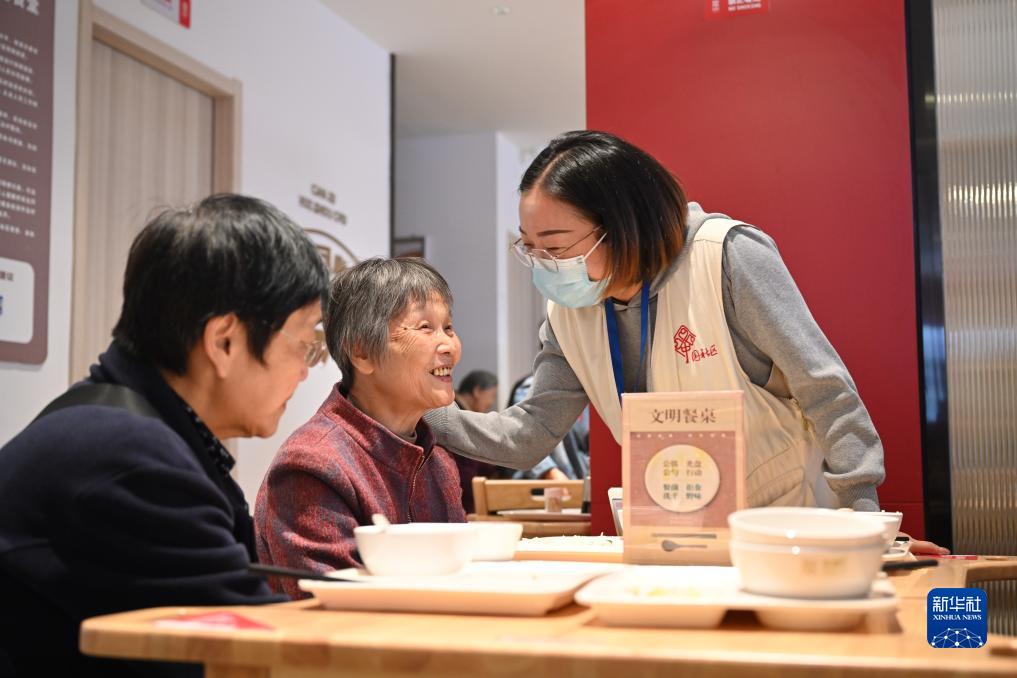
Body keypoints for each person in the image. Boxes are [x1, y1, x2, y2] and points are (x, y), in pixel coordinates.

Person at [425, 129, 885, 512]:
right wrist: (417, 411)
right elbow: (531, 433)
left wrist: (863, 517)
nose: (544, 263)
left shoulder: (727, 257)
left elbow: (825, 390)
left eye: (556, 246)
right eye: (529, 246)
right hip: (676, 532)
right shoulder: (568, 313)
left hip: (788, 522)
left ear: (621, 225)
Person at [0, 194, 329, 678]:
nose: (305, 372)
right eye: (304, 343)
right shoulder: (129, 461)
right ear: (224, 342)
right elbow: (256, 659)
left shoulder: (119, 425)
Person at [255, 257, 467, 598]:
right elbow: (337, 611)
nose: (449, 347)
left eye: (449, 328)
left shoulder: (438, 462)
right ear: (362, 351)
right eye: (426, 328)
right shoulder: (313, 465)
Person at [451, 370, 504, 513]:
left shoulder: (457, 412)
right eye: (492, 395)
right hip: (463, 501)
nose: (492, 402)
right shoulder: (457, 416)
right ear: (477, 391)